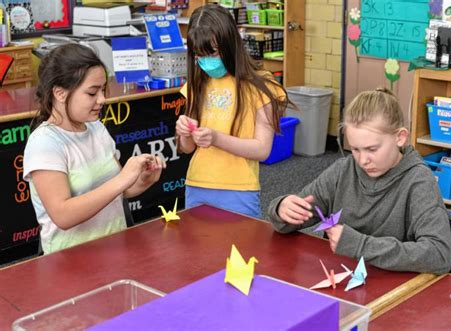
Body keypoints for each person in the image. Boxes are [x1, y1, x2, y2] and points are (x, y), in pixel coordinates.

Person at [267, 88, 451, 274]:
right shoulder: (343, 170)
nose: (363, 160)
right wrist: (281, 209)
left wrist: (359, 245)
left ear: (400, 138)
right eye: (355, 149)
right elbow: (291, 219)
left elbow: (439, 255)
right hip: (341, 281)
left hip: (393, 290)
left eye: (372, 149)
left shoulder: (418, 181)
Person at [23, 44, 166, 254]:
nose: (102, 99)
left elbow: (119, 192)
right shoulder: (45, 143)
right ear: (60, 93)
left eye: (102, 90)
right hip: (71, 260)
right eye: (92, 93)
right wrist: (123, 178)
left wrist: (143, 180)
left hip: (115, 249)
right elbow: (62, 215)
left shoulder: (96, 128)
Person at [175, 4, 289, 218]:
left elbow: (262, 150)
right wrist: (184, 131)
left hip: (239, 189)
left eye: (213, 53)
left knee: (242, 249)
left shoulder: (261, 85)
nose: (206, 61)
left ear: (230, 44)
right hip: (197, 184)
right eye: (199, 55)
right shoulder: (196, 83)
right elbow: (187, 148)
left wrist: (216, 138)